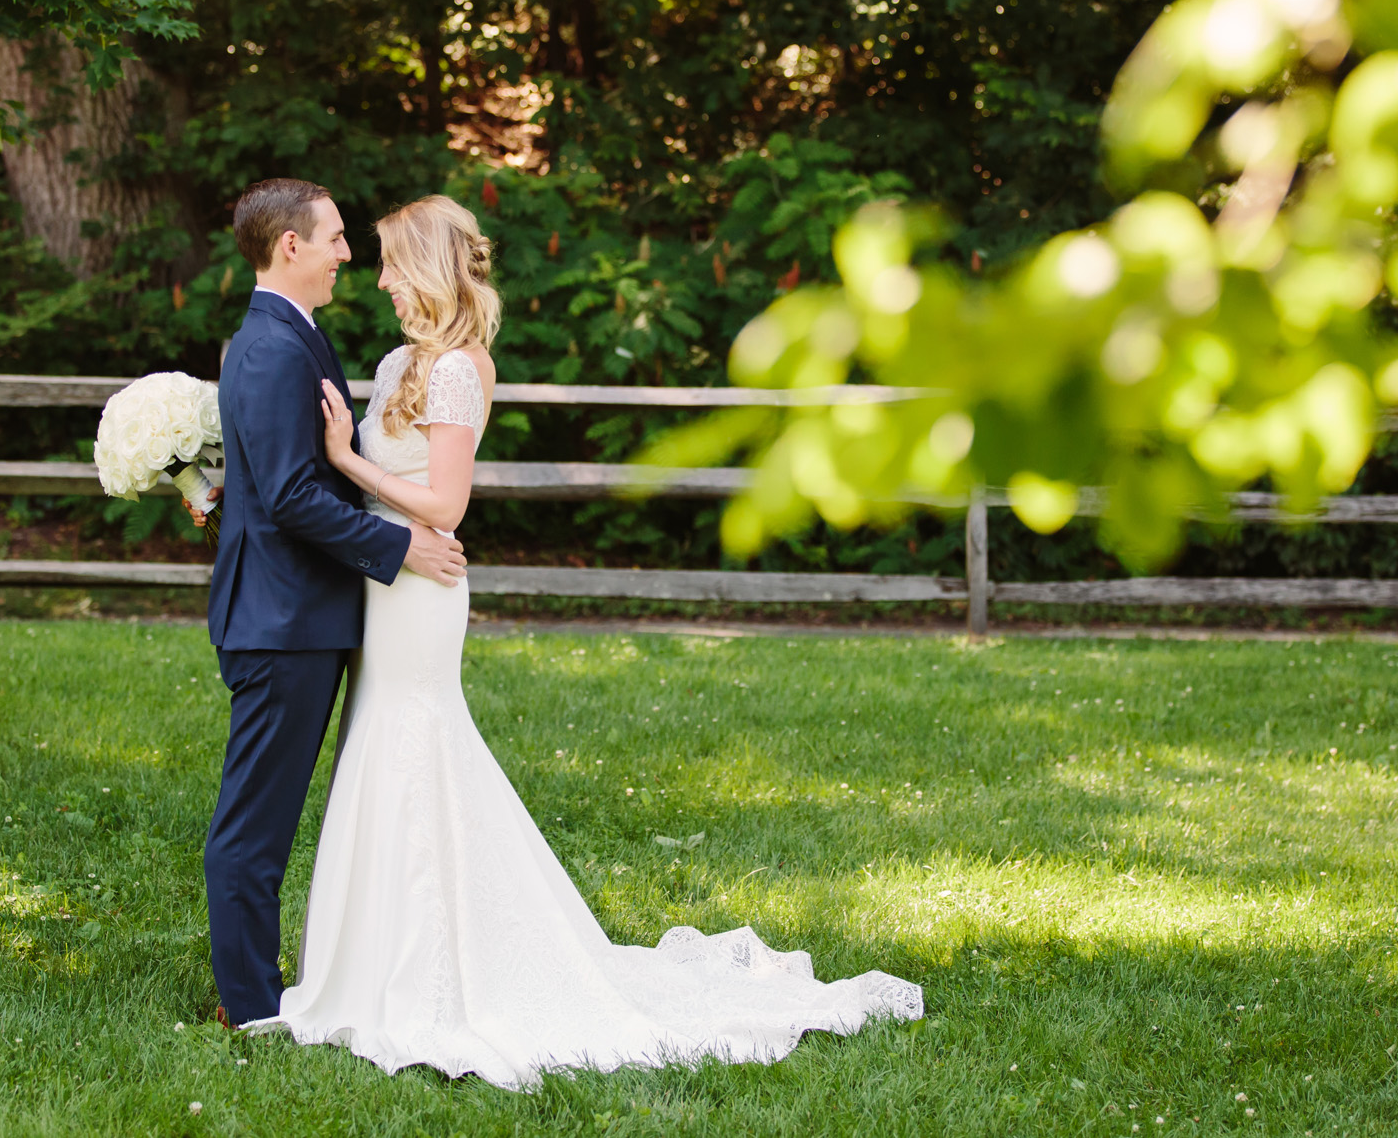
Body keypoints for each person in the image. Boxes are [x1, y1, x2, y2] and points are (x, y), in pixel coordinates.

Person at [247, 193, 923, 1090]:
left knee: (413, 747)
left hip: (422, 588)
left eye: (388, 261)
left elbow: (447, 506)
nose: (375, 277)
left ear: (427, 265)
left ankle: (428, 971)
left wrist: (348, 460)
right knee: (379, 749)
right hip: (384, 585)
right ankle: (364, 965)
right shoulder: (396, 360)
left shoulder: (459, 368)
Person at [201, 178, 467, 1031]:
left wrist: (212, 486)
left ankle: (314, 974)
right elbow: (288, 493)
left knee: (282, 810)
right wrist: (399, 546)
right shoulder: (277, 344)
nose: (349, 255)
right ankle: (250, 1004)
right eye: (337, 238)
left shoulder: (284, 335)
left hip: (304, 613)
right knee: (255, 823)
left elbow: (277, 467)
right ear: (291, 247)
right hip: (285, 623)